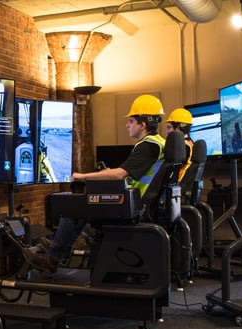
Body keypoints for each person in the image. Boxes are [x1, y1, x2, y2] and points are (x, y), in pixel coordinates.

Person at [23, 94, 166, 273]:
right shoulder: (159, 142)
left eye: (131, 121)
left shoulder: (148, 146)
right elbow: (126, 172)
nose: (127, 125)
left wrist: (83, 176)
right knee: (83, 207)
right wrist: (105, 173)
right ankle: (59, 248)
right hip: (136, 202)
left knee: (73, 207)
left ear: (142, 124)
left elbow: (120, 174)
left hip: (132, 207)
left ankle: (53, 258)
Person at [165, 107, 194, 182]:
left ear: (178, 128)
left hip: (175, 183)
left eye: (169, 128)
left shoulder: (182, 147)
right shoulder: (190, 143)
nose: (167, 132)